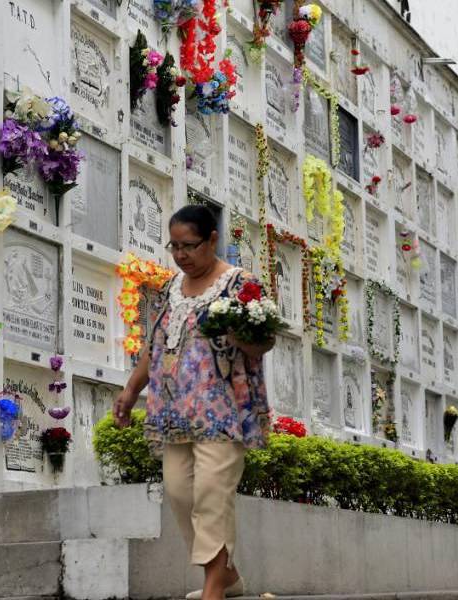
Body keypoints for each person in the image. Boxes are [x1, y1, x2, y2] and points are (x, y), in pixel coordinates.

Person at [114, 205, 274, 600]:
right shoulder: (172, 287)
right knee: (179, 492)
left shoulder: (239, 284)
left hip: (222, 411)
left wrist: (236, 334)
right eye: (175, 246)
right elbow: (156, 345)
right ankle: (228, 575)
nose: (181, 254)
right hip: (174, 412)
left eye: (189, 245)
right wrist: (131, 391)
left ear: (212, 239)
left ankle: (214, 586)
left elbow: (263, 343)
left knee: (211, 494)